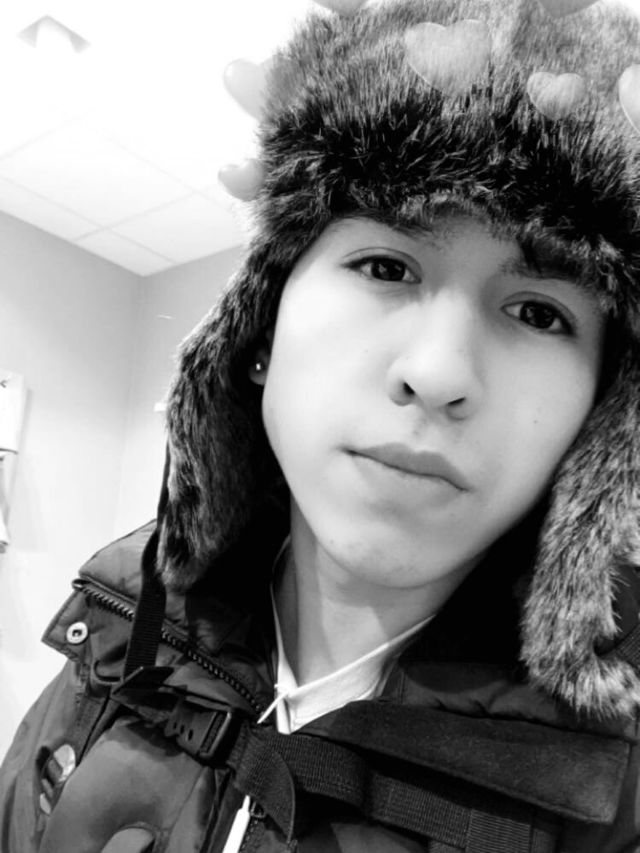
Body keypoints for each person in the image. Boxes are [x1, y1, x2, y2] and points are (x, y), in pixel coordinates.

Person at [2, 0, 640, 850]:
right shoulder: (125, 618)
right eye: (386, 265)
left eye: (538, 311)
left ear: (599, 420)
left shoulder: (619, 781)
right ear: (259, 330)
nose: (438, 371)